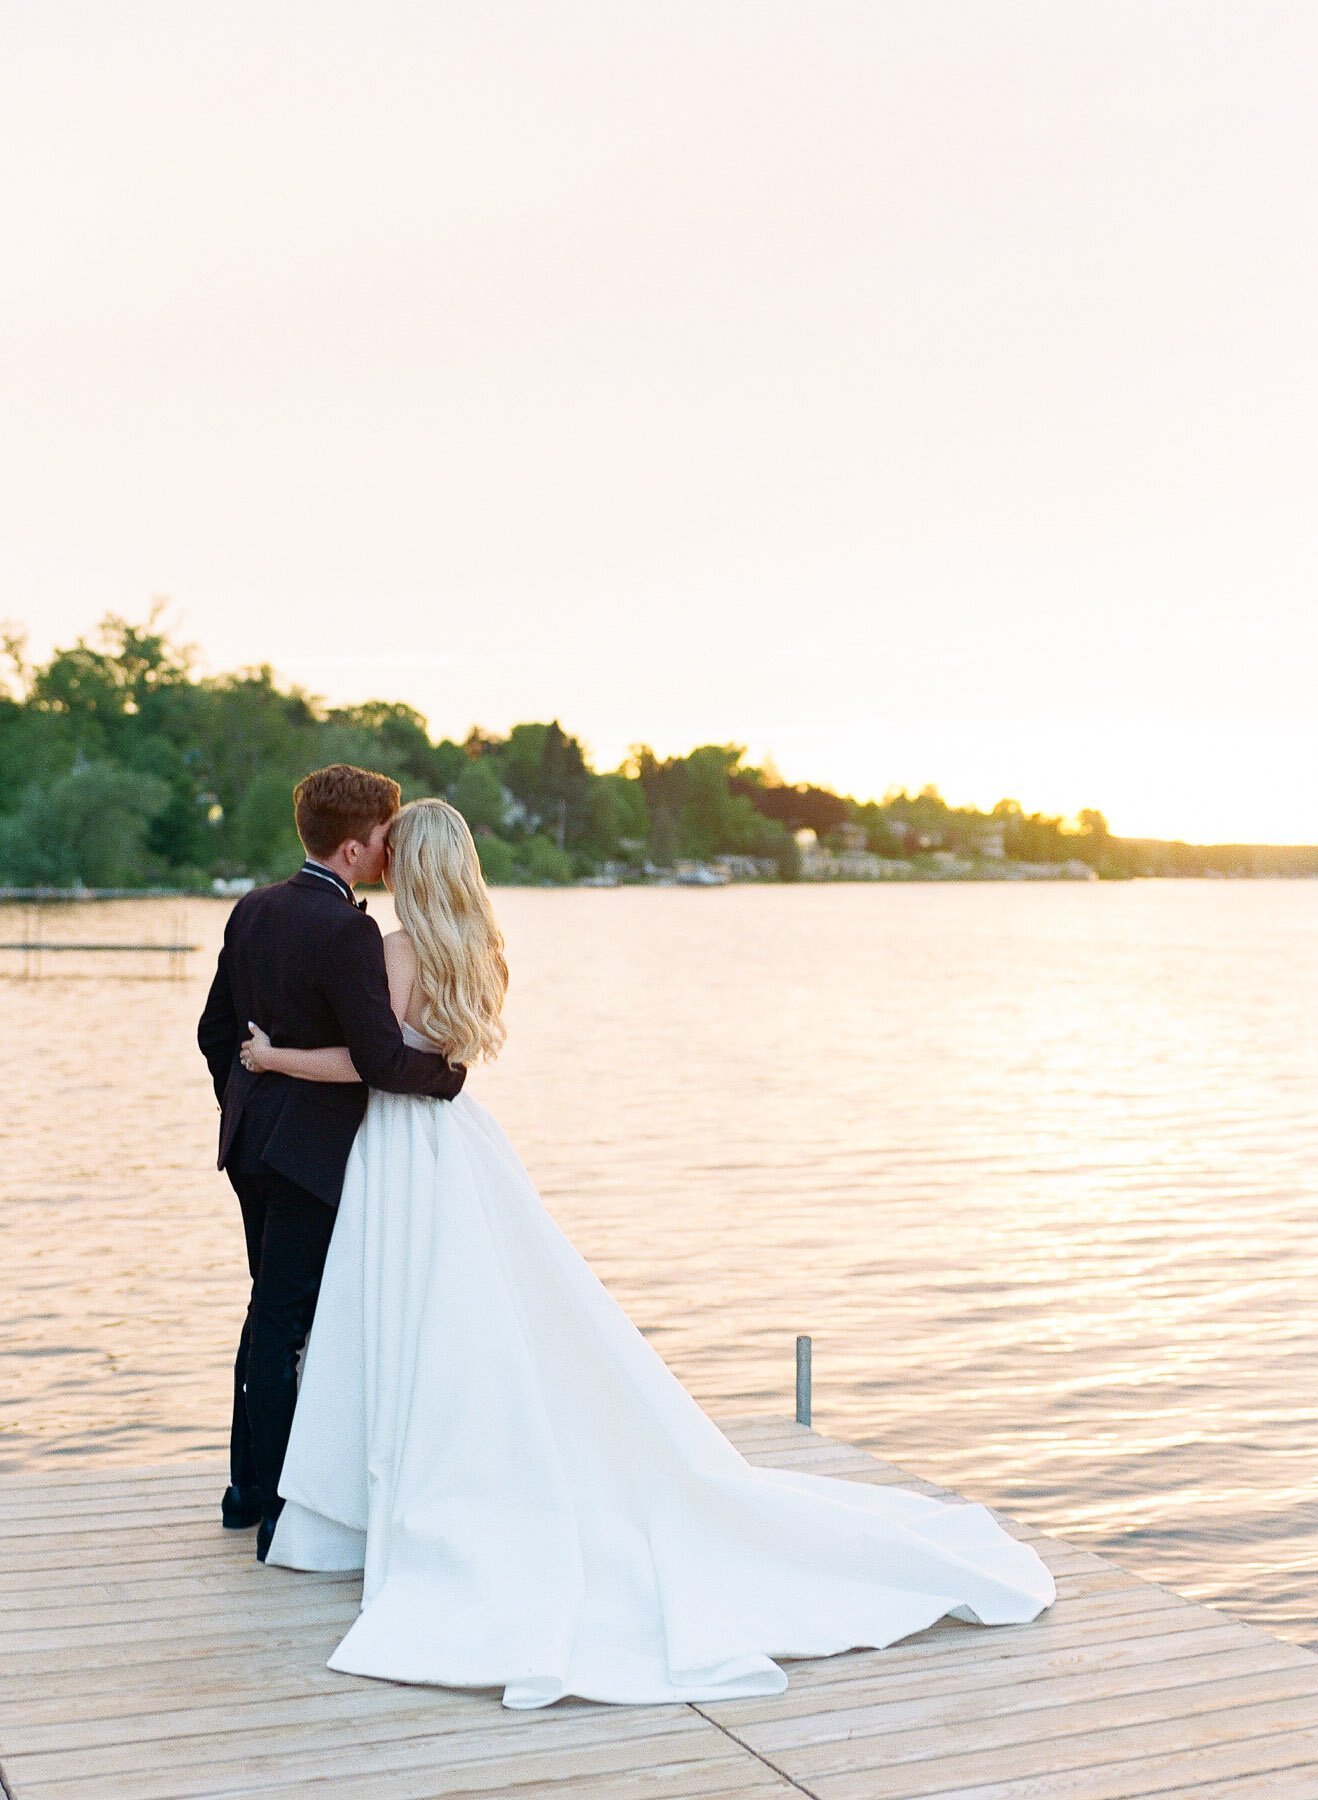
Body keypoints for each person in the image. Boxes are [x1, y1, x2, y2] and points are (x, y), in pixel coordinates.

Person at [240, 797, 1056, 1708]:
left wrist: (275, 1061)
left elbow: (372, 1063)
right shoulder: (477, 946)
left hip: (398, 1147)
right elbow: (434, 1059)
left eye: (395, 848)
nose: (382, 858)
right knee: (469, 1317)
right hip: (460, 1139)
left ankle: (408, 1500)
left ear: (412, 864)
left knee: (411, 1316)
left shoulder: (391, 950)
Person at [197, 765, 467, 1561]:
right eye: (384, 839)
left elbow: (215, 1033)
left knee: (265, 1312)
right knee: (287, 1322)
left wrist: (244, 1104)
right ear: (355, 847)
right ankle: (280, 1503)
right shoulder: (349, 931)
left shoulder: (252, 906)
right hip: (313, 1154)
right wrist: (446, 1078)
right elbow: (382, 1059)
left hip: (250, 1146)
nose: (390, 851)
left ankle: (244, 1487)